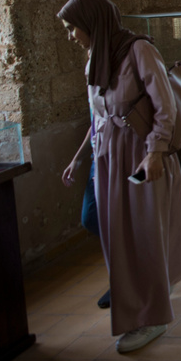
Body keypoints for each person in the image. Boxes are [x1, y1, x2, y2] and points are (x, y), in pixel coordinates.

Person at [58, 0, 181, 353]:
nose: (71, 36)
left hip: (141, 157)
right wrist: (78, 157)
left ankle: (151, 318)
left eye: (73, 28)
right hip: (109, 160)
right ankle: (143, 300)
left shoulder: (138, 51)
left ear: (93, 23)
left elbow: (166, 106)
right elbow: (100, 118)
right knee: (118, 239)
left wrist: (156, 152)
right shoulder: (95, 61)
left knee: (142, 237)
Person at [62, 121, 111, 309]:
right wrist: (77, 159)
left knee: (119, 220)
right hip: (97, 157)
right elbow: (94, 123)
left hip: (114, 156)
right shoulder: (92, 90)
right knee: (90, 218)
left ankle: (123, 281)